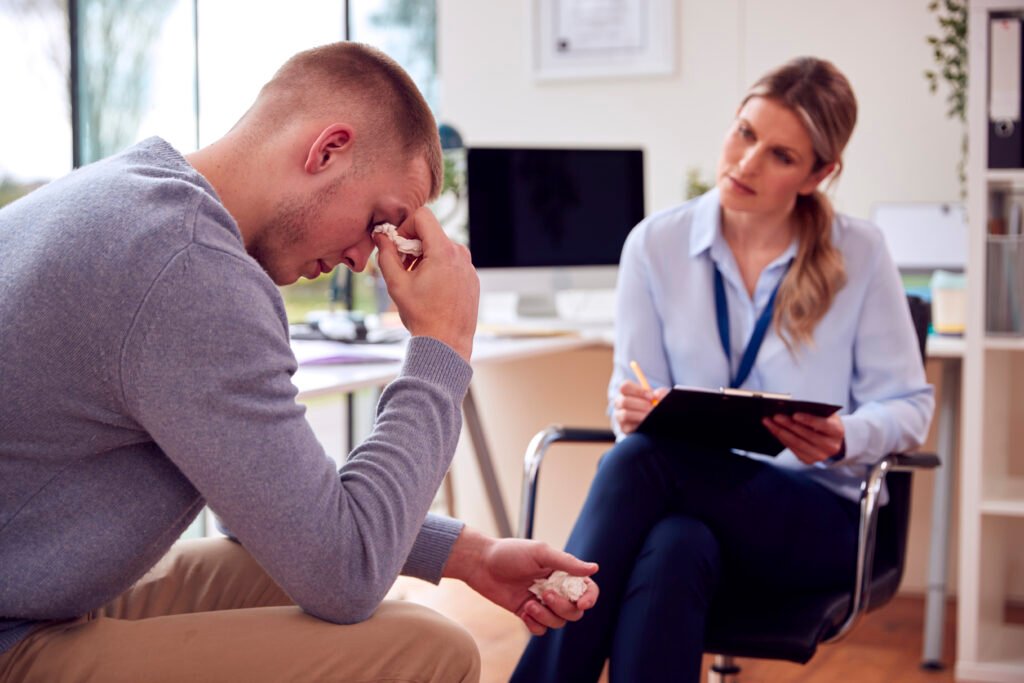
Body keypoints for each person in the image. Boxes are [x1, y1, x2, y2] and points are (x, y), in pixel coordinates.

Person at [0, 42, 599, 683]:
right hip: (15, 631)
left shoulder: (133, 197)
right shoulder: (189, 270)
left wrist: (470, 555)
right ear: (326, 150)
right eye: (378, 221)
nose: (365, 260)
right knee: (426, 647)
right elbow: (346, 578)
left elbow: (267, 506)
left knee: (299, 574)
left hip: (31, 595)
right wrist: (443, 346)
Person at [512, 56, 935, 682]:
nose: (746, 162)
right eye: (744, 132)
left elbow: (910, 406)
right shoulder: (655, 245)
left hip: (817, 522)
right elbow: (632, 397)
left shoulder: (860, 253)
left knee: (639, 462)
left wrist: (849, 435)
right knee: (673, 546)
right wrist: (631, 411)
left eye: (781, 155)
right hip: (690, 509)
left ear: (820, 173)